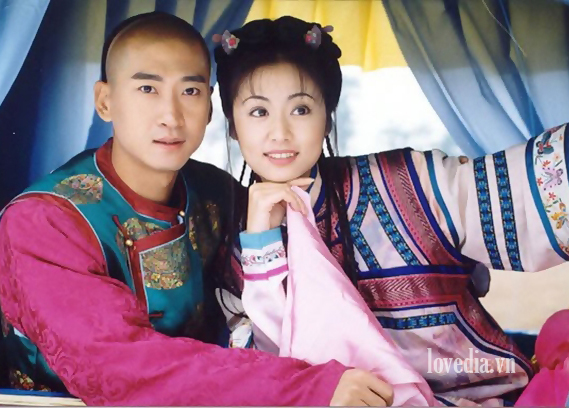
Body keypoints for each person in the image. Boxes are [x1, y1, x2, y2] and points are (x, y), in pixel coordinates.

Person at [0, 12, 394, 406]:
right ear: (106, 101)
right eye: (147, 89)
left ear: (209, 107)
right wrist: (307, 388)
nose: (171, 116)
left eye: (190, 91)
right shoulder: (44, 220)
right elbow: (113, 363)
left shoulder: (215, 193)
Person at [213, 15, 569, 406]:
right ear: (232, 125)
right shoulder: (234, 243)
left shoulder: (406, 182)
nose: (280, 133)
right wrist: (260, 246)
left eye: (300, 109)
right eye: (258, 112)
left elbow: (526, 192)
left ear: (327, 117)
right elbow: (270, 374)